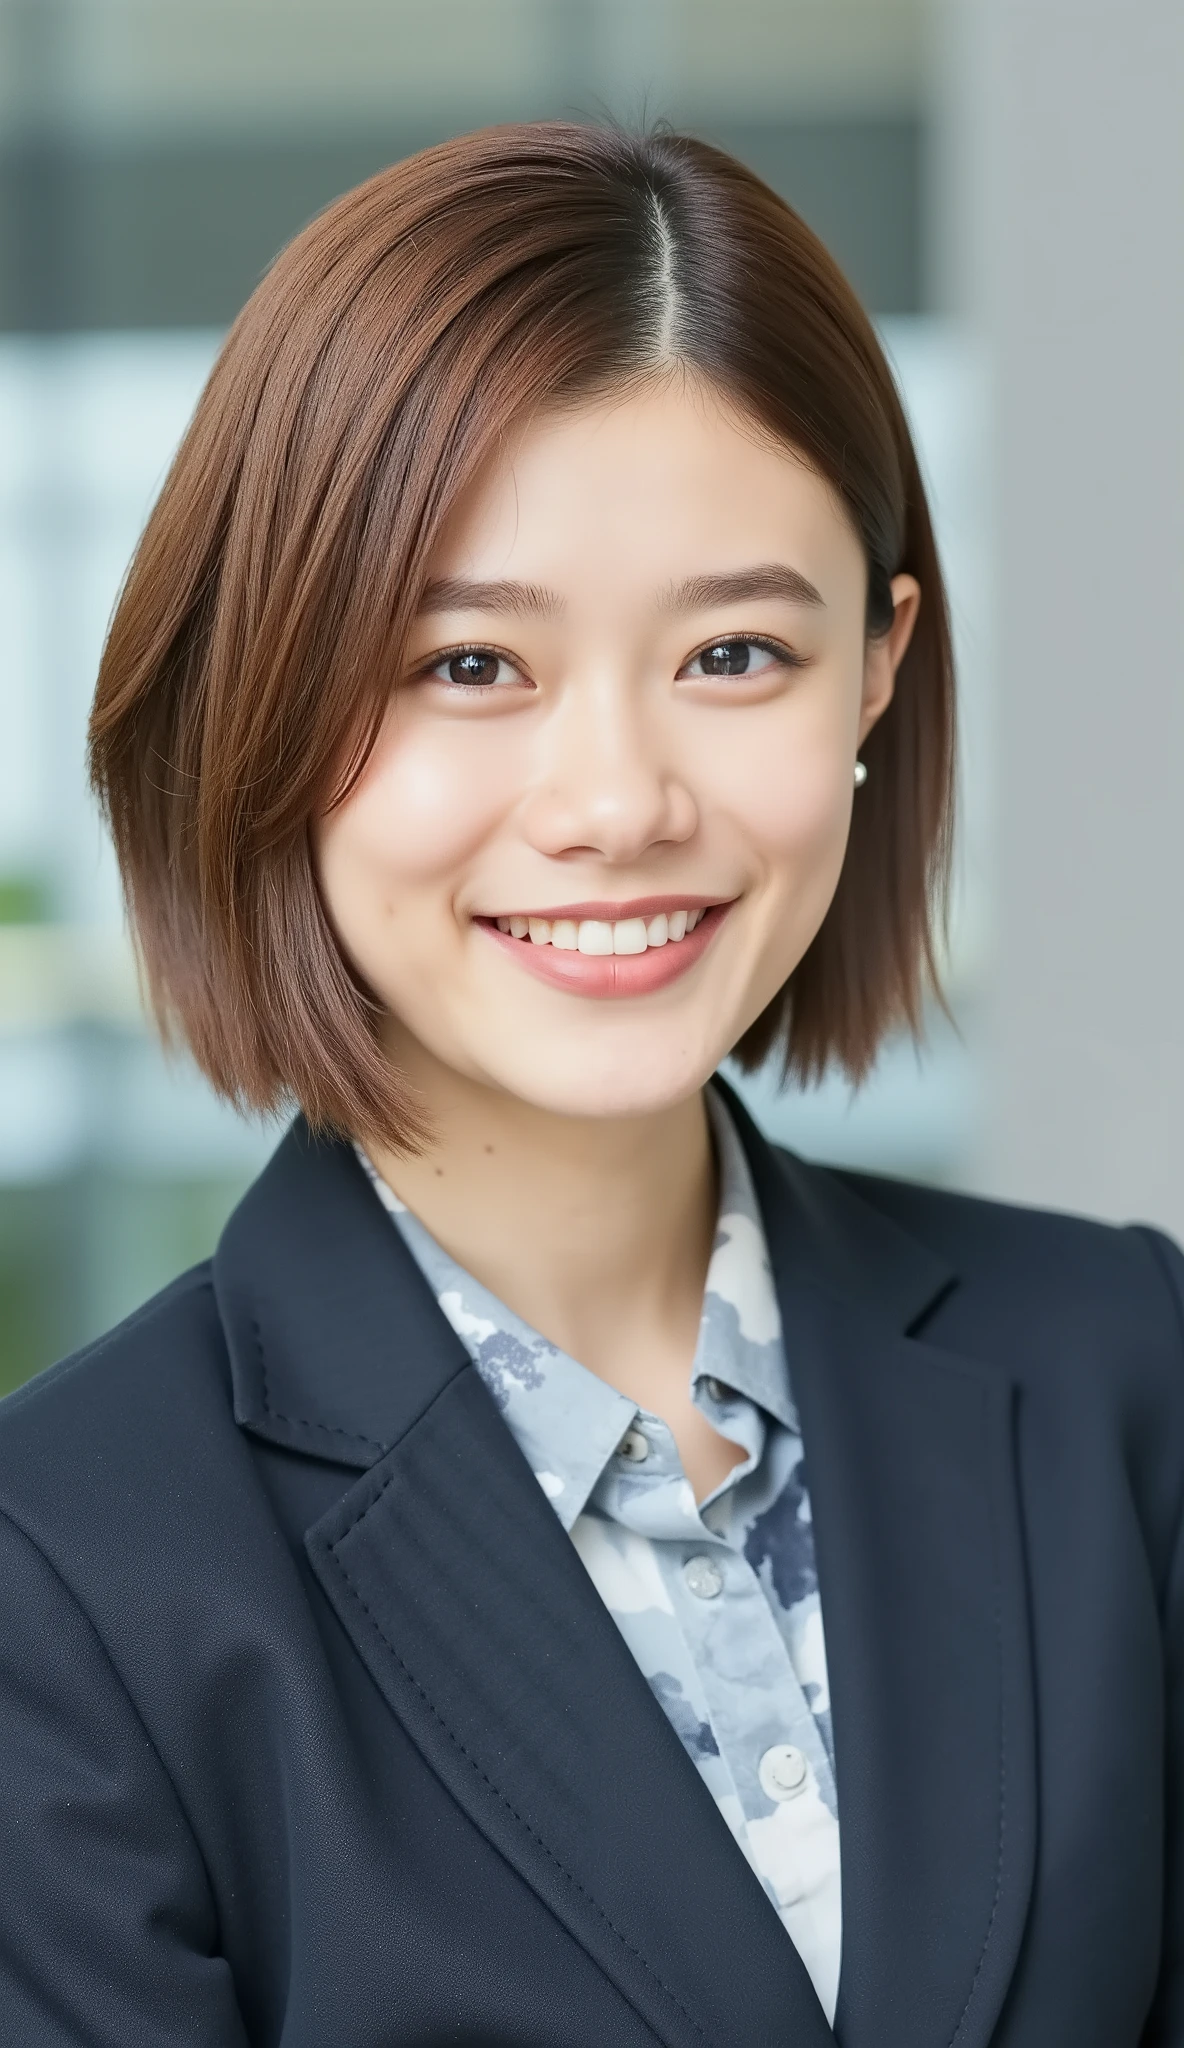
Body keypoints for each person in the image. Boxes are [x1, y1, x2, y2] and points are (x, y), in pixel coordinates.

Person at [0, 122, 1180, 2048]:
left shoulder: (1124, 1369)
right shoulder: (61, 1576)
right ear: (265, 703)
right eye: (471, 664)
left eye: (734, 651)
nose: (623, 800)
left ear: (875, 675)